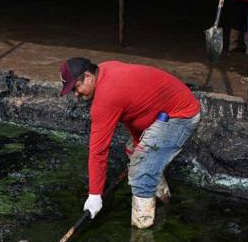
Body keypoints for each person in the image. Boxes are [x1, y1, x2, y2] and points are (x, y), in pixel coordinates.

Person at [59, 58, 201, 229]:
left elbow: (98, 151)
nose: (76, 94)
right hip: (165, 109)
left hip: (180, 115)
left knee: (140, 174)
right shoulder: (104, 69)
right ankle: (162, 197)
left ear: (88, 76)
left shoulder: (106, 97)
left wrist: (95, 194)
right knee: (135, 152)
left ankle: (142, 235)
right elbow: (134, 109)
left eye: (76, 87)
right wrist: (138, 147)